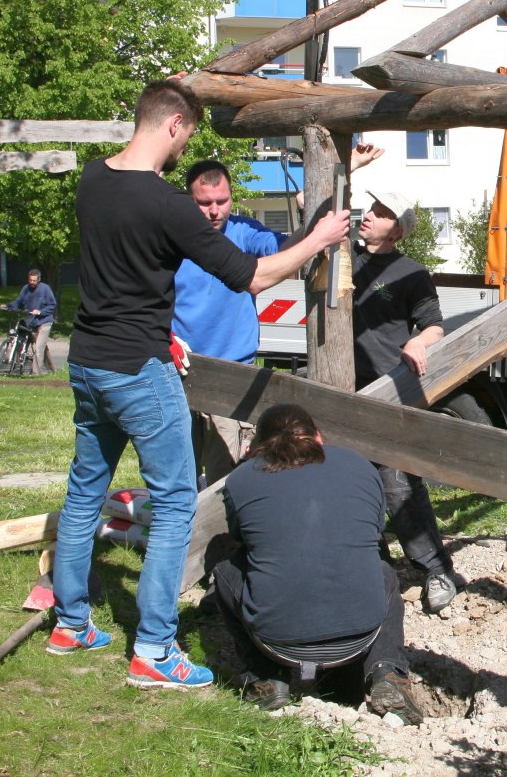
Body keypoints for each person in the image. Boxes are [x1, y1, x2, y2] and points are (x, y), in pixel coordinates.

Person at [47, 78, 350, 691]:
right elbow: (253, 276)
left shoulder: (92, 178)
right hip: (138, 370)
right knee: (175, 502)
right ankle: (155, 650)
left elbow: (121, 274)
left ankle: (70, 623)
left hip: (88, 361)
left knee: (84, 493)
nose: (185, 147)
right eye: (187, 136)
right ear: (175, 125)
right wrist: (318, 239)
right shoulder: (168, 205)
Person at [173, 144, 381, 485]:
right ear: (188, 200)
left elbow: (288, 248)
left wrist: (338, 184)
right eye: (204, 203)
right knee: (176, 477)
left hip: (231, 374)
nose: (214, 211)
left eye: (222, 201)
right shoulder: (172, 240)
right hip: (179, 371)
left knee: (227, 479)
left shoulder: (243, 232)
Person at [215, 403, 424, 721]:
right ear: (319, 437)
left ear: (259, 447)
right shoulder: (357, 463)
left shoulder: (242, 478)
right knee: (384, 572)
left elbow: (240, 536)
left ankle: (265, 677)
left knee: (225, 571)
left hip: (279, 641)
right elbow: (373, 527)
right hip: (361, 632)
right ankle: (388, 671)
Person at [352, 190, 458, 615]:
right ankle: (371, 566)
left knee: (398, 485)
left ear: (396, 231)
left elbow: (434, 325)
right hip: (340, 389)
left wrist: (418, 341)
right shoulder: (342, 257)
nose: (368, 215)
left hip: (387, 393)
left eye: (381, 213)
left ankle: (436, 569)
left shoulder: (410, 273)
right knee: (348, 482)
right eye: (370, 208)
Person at [0, 267, 57, 375]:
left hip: (44, 321)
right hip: (32, 322)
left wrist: (40, 311)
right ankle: (52, 370)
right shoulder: (26, 289)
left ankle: (34, 373)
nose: (32, 282)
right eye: (30, 280)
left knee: (39, 347)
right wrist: (8, 306)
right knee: (41, 347)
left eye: (34, 280)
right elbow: (19, 302)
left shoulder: (45, 289)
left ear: (39, 280)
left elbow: (52, 305)